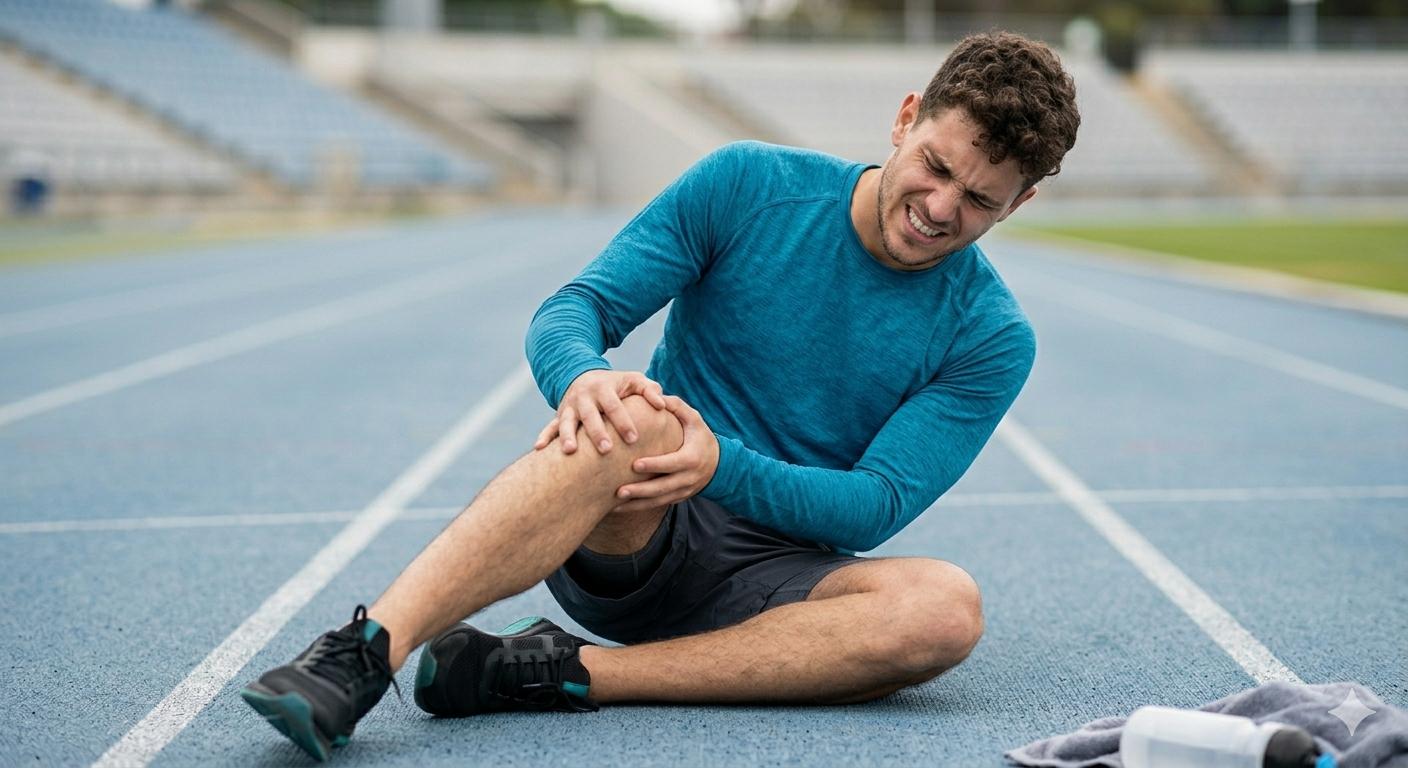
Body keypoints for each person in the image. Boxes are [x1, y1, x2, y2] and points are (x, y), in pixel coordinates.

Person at [240, 30, 1080, 762]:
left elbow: (874, 507)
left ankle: (553, 670)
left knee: (944, 611)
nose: (938, 208)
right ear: (905, 119)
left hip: (783, 581)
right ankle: (364, 654)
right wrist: (584, 377)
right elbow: (577, 310)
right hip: (639, 521)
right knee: (633, 415)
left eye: (978, 201)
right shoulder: (749, 184)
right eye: (935, 166)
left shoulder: (992, 335)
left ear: (1021, 203)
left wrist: (720, 465)